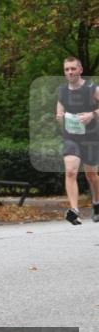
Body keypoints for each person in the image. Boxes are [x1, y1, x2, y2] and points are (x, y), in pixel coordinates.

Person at [55, 56, 99, 224]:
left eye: (73, 68)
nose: (70, 72)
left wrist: (92, 114)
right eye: (67, 69)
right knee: (71, 171)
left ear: (80, 70)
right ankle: (74, 211)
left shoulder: (92, 88)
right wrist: (59, 116)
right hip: (71, 137)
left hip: (91, 138)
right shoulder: (62, 91)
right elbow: (59, 111)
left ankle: (96, 203)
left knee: (91, 175)